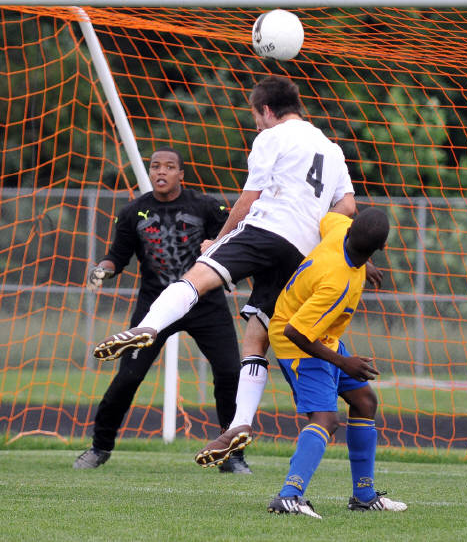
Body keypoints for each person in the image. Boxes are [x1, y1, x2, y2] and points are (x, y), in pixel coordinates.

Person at [91, 75, 358, 468]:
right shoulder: (332, 150)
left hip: (267, 229)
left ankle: (147, 327)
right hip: (302, 250)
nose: (257, 124)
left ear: (266, 110)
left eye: (256, 117)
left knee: (197, 277)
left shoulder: (272, 137)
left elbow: (249, 200)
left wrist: (219, 240)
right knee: (257, 335)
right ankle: (240, 422)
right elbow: (347, 208)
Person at [74, 147, 251, 474]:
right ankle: (100, 447)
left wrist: (220, 249)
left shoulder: (206, 206)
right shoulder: (133, 211)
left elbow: (235, 239)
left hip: (205, 304)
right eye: (155, 166)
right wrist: (102, 269)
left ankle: (232, 456)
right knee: (128, 377)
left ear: (181, 174)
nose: (161, 171)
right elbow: (116, 257)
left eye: (169, 167)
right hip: (155, 308)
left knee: (229, 374)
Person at [267, 207, 407, 519]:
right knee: (326, 419)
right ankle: (289, 496)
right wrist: (343, 362)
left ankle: (364, 497)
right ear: (382, 247)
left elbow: (328, 218)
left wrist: (364, 262)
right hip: (297, 343)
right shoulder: (337, 282)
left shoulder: (340, 228)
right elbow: (295, 332)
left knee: (364, 401)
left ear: (350, 229)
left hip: (321, 336)